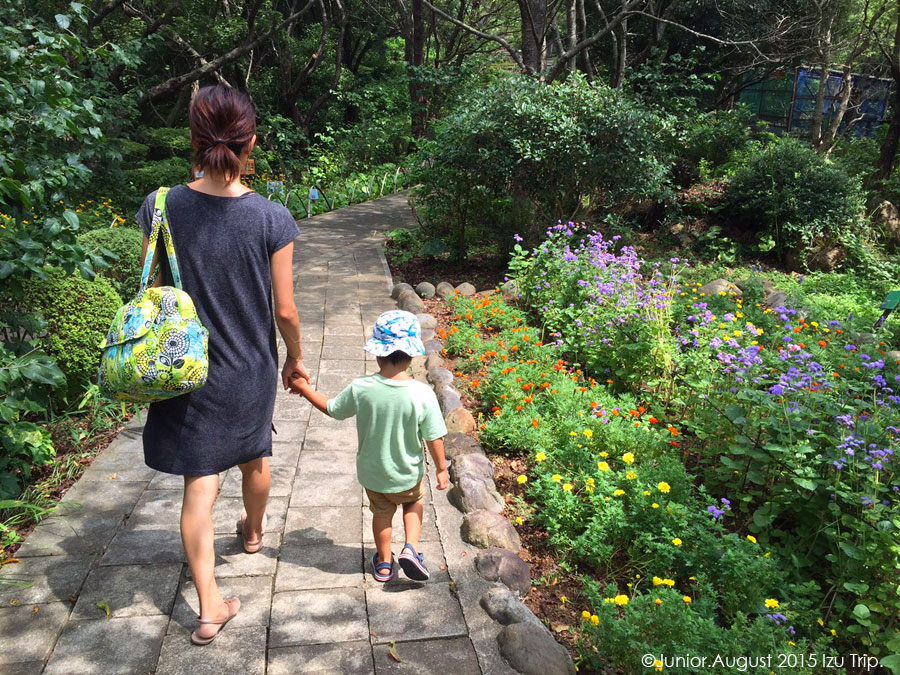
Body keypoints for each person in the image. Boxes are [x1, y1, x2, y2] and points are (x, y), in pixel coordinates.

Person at [136, 85, 310, 645]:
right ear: (250, 141)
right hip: (248, 366)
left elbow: (153, 287)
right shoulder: (271, 217)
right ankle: (253, 533)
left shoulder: (160, 205)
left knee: (200, 482)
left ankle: (210, 606)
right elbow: (286, 310)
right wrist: (295, 358)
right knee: (255, 454)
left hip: (183, 367)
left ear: (193, 139)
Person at [289, 310, 449, 582]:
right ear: (412, 355)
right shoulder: (422, 393)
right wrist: (441, 469)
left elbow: (332, 409)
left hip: (374, 474)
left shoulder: (362, 387)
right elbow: (434, 437)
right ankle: (411, 549)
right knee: (413, 503)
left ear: (377, 354)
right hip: (408, 472)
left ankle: (384, 563)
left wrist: (304, 389)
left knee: (382, 514)